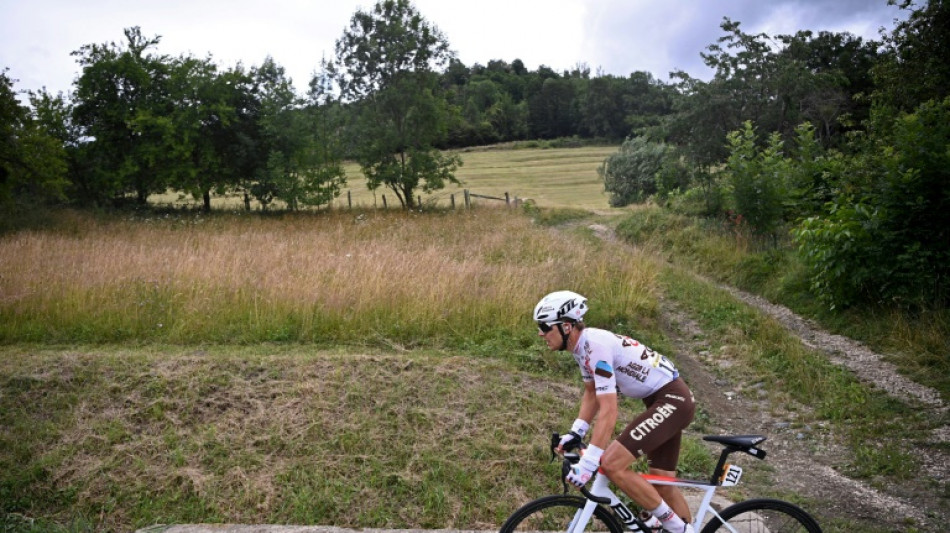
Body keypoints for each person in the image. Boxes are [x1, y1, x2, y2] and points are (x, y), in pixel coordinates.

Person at [534, 290, 697, 533]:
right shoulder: (582, 347)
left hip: (672, 400)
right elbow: (592, 393)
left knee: (611, 464)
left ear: (566, 326)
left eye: (545, 327)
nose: (541, 333)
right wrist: (576, 432)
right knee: (662, 484)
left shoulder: (595, 347)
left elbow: (609, 409)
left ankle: (679, 528)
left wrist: (590, 461)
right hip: (664, 400)